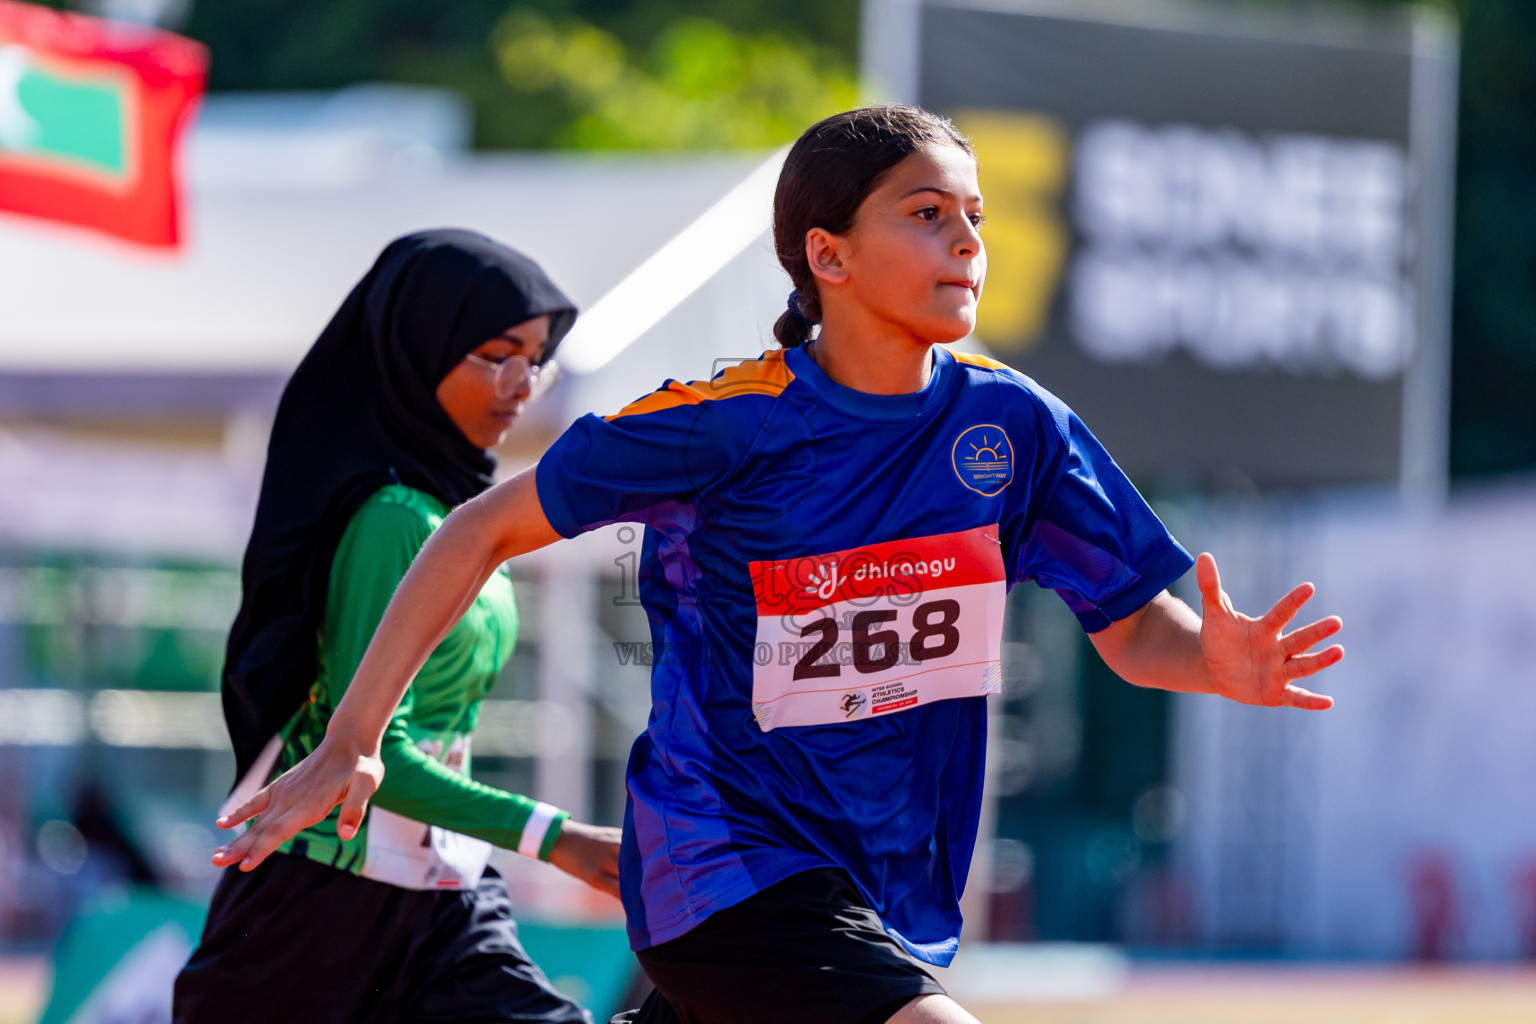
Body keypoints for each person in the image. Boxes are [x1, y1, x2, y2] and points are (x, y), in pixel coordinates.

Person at [211, 110, 1345, 1024]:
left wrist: (1218, 664)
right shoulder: (723, 425)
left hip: (883, 878)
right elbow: (480, 528)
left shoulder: (1017, 425)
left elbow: (1132, 627)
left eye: (975, 217)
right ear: (828, 254)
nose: (966, 241)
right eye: (927, 212)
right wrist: (356, 739)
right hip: (721, 865)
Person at [176, 229, 619, 1024]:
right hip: (321, 904)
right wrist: (560, 839)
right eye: (494, 353)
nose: (523, 384)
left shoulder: (464, 519)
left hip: (444, 891)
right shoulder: (393, 520)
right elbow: (369, 758)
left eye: (536, 357)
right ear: (417, 349)